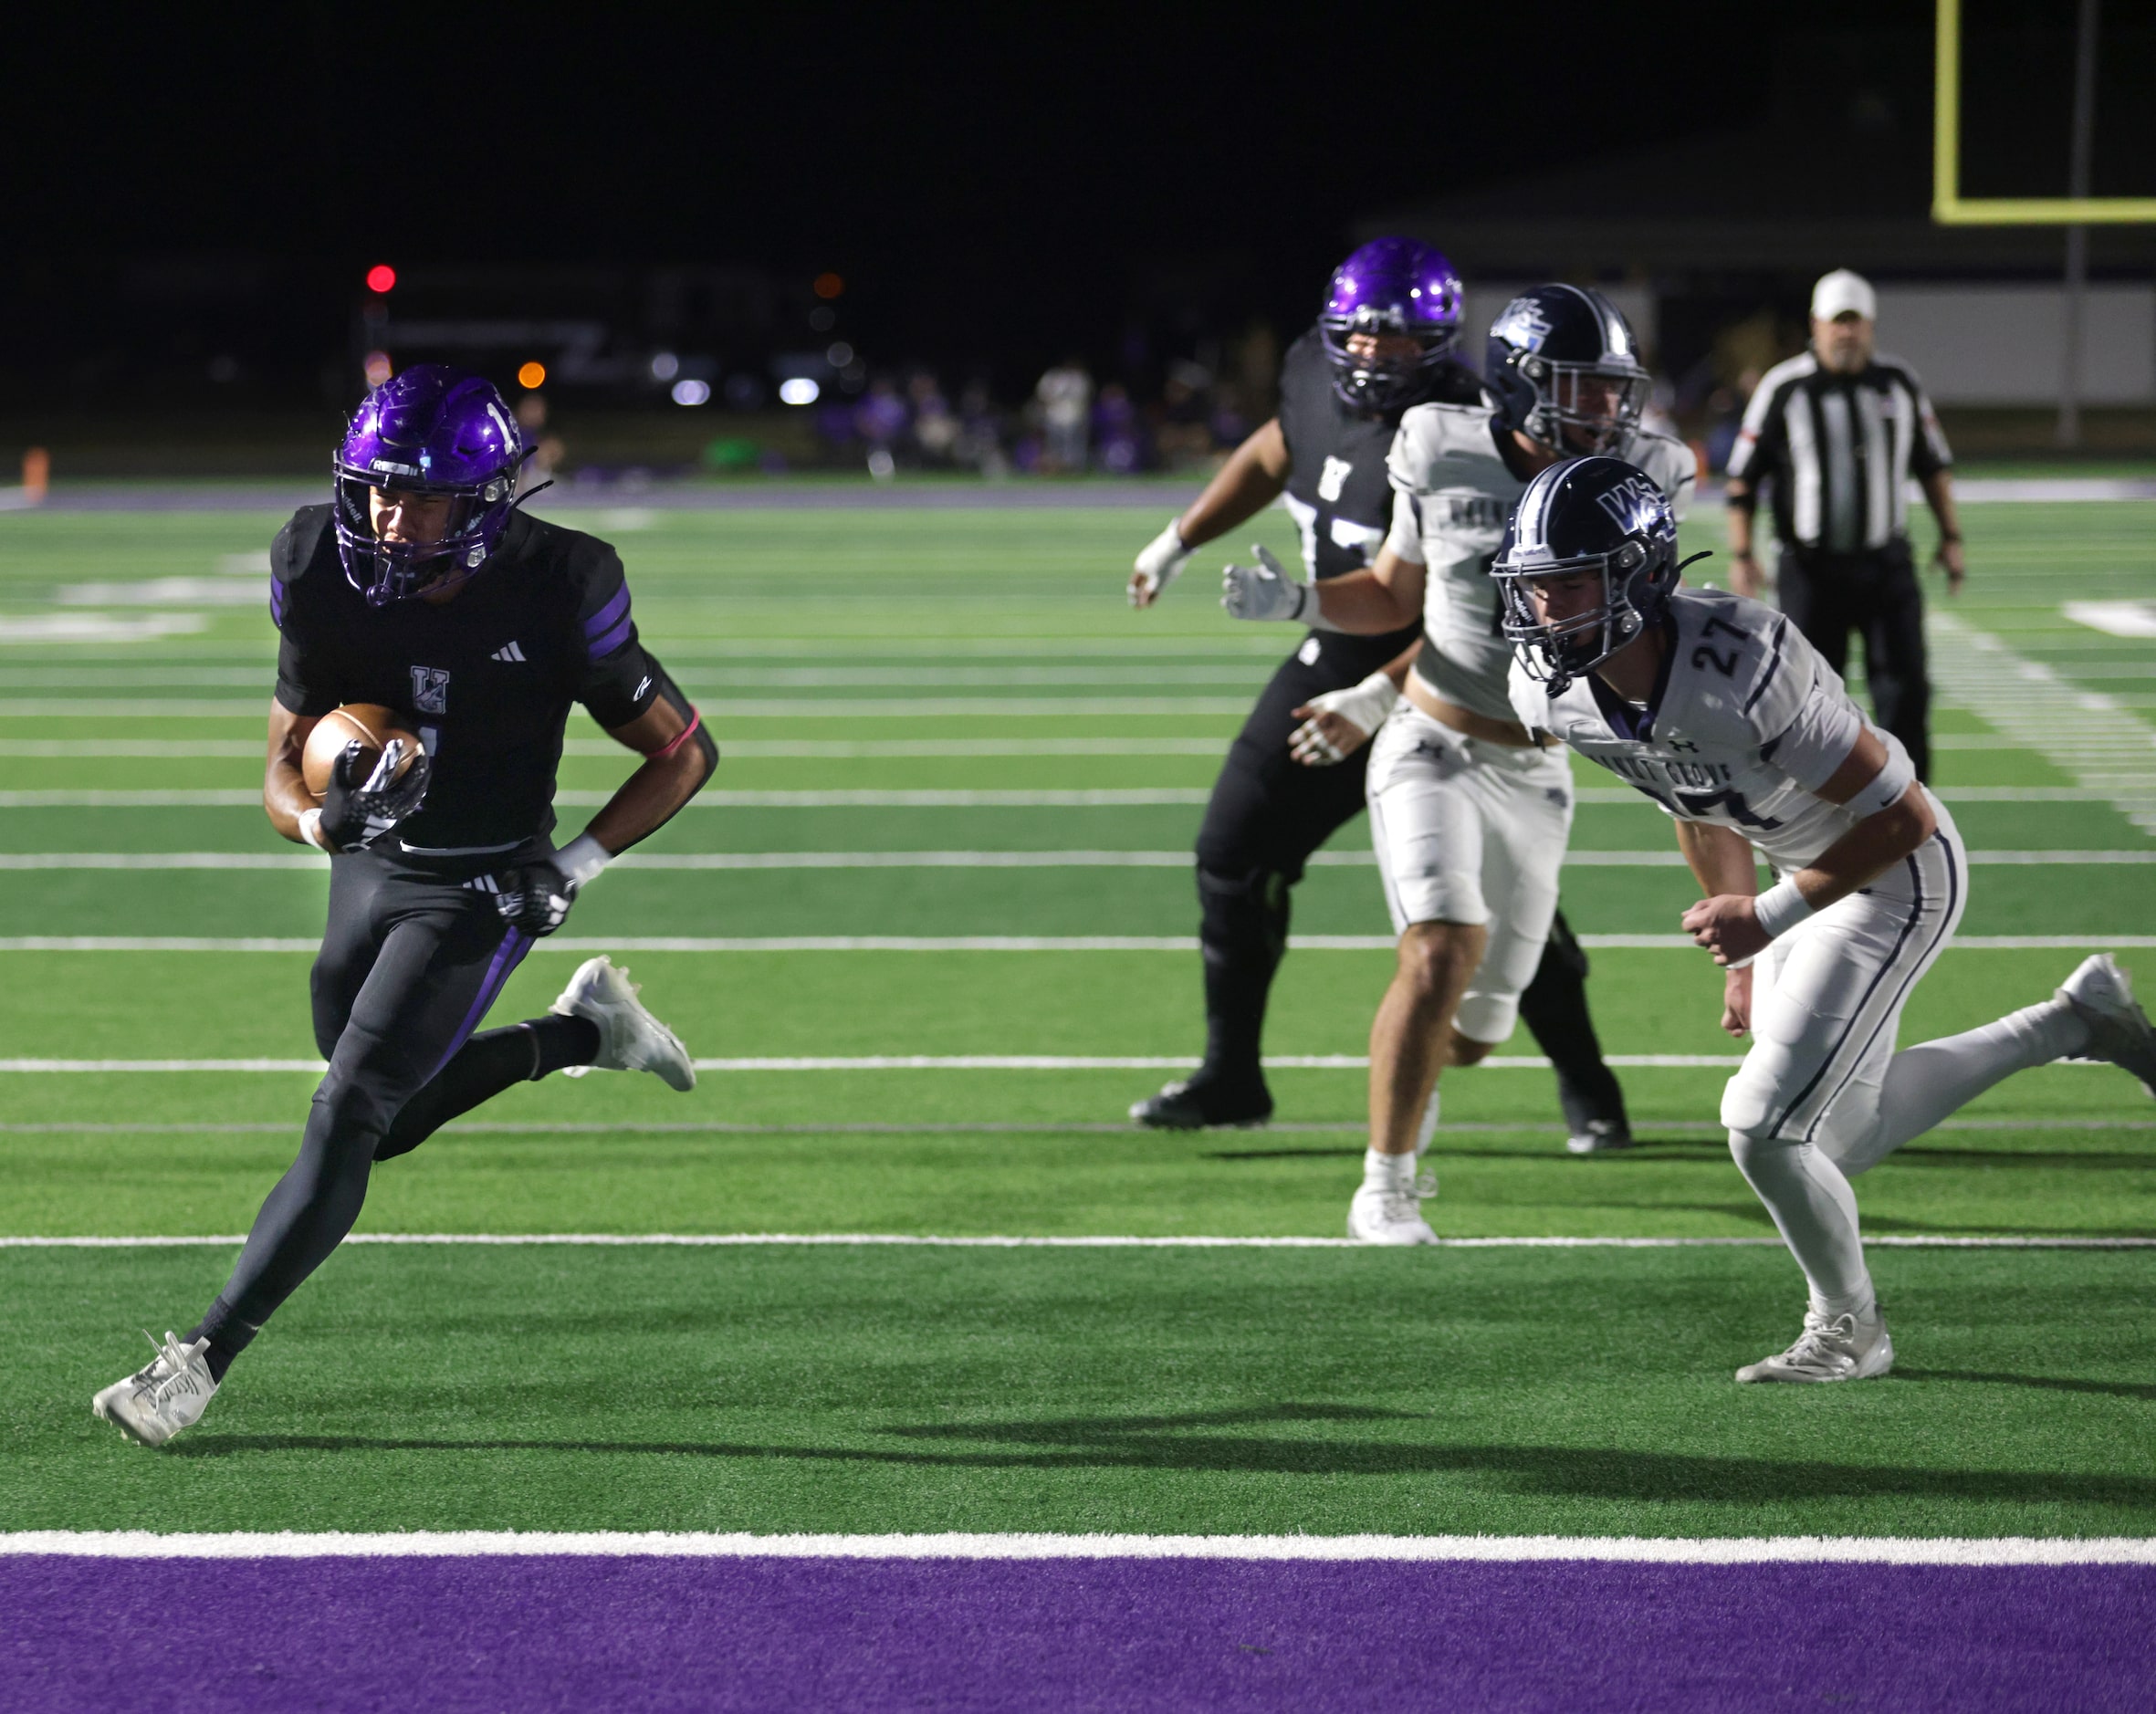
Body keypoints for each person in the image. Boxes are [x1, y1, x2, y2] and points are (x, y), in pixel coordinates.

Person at [92, 366, 719, 1447]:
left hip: (488, 876)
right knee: (378, 1119)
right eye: (376, 489)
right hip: (374, 861)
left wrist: (572, 866)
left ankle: (196, 1364)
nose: (389, 516)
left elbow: (684, 750)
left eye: (421, 496)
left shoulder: (562, 580)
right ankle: (583, 1031)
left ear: (485, 505)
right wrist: (319, 825)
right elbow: (281, 769)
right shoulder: (312, 561)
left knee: (349, 1109)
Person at [1494, 454, 2156, 1381]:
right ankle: (2072, 1019)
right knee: (1834, 1136)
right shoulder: (1550, 689)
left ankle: (1849, 1329)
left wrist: (1764, 918)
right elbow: (1691, 800)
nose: (1544, 612)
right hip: (1797, 878)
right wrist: (1742, 954)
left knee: (1763, 1125)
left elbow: (1905, 817)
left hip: (1895, 873)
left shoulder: (1743, 659)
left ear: (1639, 576)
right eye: (1533, 588)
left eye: (1567, 586)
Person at [1126, 245, 1630, 1155]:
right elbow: (1277, 447)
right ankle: (1231, 1072)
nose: (1371, 353)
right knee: (1234, 852)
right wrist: (1179, 537)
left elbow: (1485, 612)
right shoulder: (1309, 370)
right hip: (1336, 649)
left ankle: (1587, 1084)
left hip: (1450, 676)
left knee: (1505, 891)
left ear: (1438, 348)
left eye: (1398, 342)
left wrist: (1376, 694)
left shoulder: (1477, 430)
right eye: (1360, 333)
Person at [1220, 285, 1696, 1241]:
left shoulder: (1643, 472)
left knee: (1474, 1036)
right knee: (1438, 949)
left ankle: (1413, 1085)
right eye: (1580, 389)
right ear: (1519, 384)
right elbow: (1396, 597)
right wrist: (1301, 605)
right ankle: (1384, 1186)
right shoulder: (1439, 445)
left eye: (1612, 392)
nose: (1604, 412)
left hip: (1539, 766)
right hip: (1430, 742)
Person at [1724, 269, 1964, 783]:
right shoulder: (1785, 387)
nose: (1847, 334)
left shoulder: (1897, 382)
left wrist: (1951, 537)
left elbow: (1932, 465)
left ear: (1870, 326)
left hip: (1885, 563)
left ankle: (1913, 803)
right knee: (1808, 697)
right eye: (1838, 323)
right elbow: (1742, 479)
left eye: (1856, 323)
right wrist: (1742, 555)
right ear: (1817, 324)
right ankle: (1812, 803)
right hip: (1811, 568)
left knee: (1906, 692)